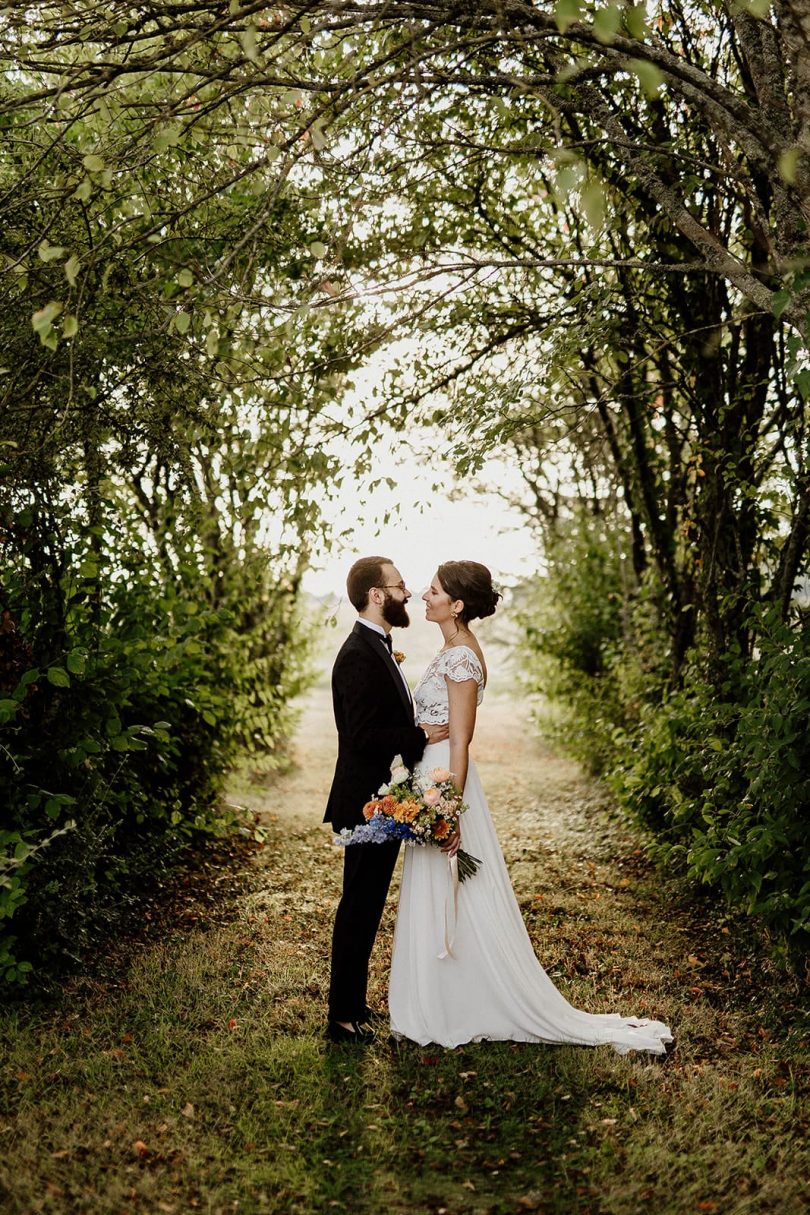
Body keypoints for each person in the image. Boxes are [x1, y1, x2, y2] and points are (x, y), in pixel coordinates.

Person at [388, 560, 673, 1055]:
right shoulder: (453, 649)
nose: (424, 596)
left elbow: (462, 740)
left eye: (433, 591)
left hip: (444, 780)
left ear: (455, 605)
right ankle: (446, 992)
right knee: (442, 887)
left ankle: (459, 1000)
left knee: (452, 885)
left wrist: (448, 806)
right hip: (430, 774)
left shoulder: (460, 659)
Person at [324, 556, 449, 1044]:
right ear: (377, 595)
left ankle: (353, 1005)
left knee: (368, 904)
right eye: (399, 586)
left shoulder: (379, 646)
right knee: (357, 905)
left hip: (380, 800)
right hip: (364, 804)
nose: (407, 592)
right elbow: (359, 735)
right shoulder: (358, 653)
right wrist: (418, 734)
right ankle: (341, 1018)